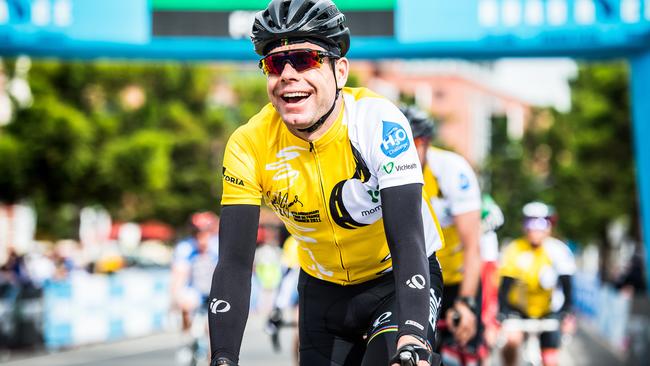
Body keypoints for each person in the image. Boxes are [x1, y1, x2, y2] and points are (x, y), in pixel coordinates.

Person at [207, 1, 445, 365]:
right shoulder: (248, 143)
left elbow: (408, 240)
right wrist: (222, 358)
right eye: (274, 64)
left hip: (394, 280)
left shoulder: (377, 122)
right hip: (322, 290)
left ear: (341, 71)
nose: (287, 74)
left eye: (304, 59)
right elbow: (235, 264)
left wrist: (412, 337)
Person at [402, 105, 485, 365]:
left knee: (467, 354)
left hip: (456, 280)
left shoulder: (451, 170)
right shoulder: (383, 167)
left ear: (426, 143)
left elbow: (472, 247)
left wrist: (467, 302)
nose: (406, 152)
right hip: (415, 279)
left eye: (413, 143)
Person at [498, 202, 576, 366]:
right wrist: (502, 310)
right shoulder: (514, 249)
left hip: (547, 310)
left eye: (541, 224)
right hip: (518, 308)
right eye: (530, 223)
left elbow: (567, 285)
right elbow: (505, 285)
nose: (535, 230)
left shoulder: (558, 250)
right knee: (512, 342)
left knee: (551, 359)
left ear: (549, 227)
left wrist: (567, 312)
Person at [171, 211, 220, 330]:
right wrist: (176, 298)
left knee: (213, 329)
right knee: (185, 305)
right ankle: (189, 334)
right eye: (197, 232)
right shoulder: (185, 247)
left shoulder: (218, 245)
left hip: (215, 291)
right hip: (196, 290)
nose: (201, 236)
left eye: (205, 231)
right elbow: (179, 273)